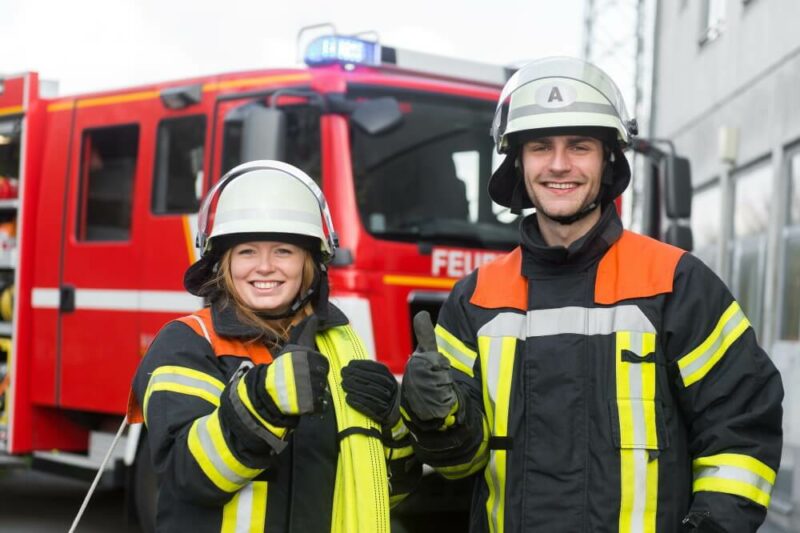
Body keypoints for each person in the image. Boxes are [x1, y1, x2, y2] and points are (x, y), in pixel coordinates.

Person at [399, 57, 783, 532]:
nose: (559, 165)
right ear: (517, 162)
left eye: (579, 146)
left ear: (608, 159)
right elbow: (459, 467)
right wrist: (439, 420)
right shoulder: (475, 299)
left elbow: (741, 432)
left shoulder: (677, 283)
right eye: (541, 147)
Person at [129, 160, 418, 532]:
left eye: (283, 250)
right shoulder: (189, 343)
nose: (264, 266)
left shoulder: (342, 346)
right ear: (224, 263)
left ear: (310, 263)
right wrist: (262, 403)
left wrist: (395, 424)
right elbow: (187, 475)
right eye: (247, 251)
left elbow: (384, 490)